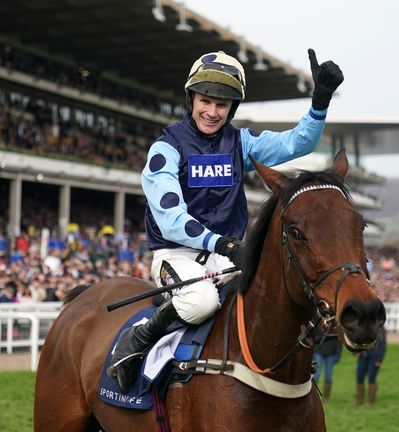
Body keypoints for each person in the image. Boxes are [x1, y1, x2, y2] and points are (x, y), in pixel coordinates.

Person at [107, 48, 344, 393]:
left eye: (222, 105)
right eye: (206, 101)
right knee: (201, 301)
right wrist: (222, 243)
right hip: (178, 256)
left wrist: (320, 101)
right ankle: (141, 337)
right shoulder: (166, 148)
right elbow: (172, 219)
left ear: (232, 108)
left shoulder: (240, 142)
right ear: (191, 98)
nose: (213, 112)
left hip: (228, 256)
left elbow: (298, 142)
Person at [356, 324, 386, 405]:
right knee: (359, 377)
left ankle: (370, 401)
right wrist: (356, 352)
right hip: (363, 355)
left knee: (371, 378)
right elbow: (356, 339)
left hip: (375, 356)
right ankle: (359, 400)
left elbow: (383, 344)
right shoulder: (360, 326)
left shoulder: (380, 327)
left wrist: (379, 359)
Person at [314, 334, 343, 401]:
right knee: (316, 375)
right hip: (319, 354)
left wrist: (338, 355)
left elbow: (339, 341)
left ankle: (326, 398)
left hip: (331, 355)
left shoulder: (335, 327)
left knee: (328, 377)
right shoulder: (321, 325)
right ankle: (312, 396)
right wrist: (314, 351)